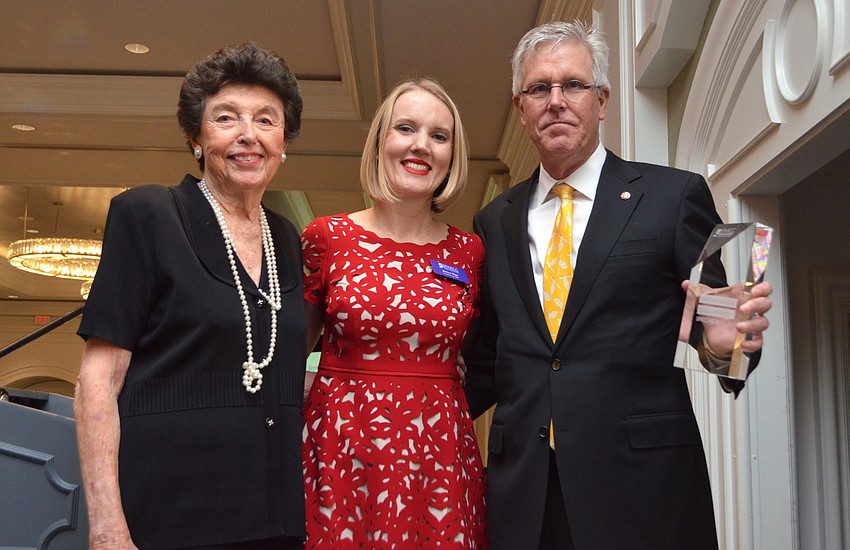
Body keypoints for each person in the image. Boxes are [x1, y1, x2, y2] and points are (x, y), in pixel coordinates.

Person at [463, 21, 774, 550]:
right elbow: (490, 360)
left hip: (642, 490)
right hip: (526, 495)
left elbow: (717, 328)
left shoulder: (673, 197)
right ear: (521, 108)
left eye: (573, 85)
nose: (556, 101)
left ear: (602, 100)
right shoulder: (494, 221)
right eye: (539, 88)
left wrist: (726, 349)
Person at [74, 43, 307, 549]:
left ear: (284, 141)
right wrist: (106, 525)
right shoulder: (149, 215)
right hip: (168, 518)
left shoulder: (288, 239)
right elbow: (98, 379)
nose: (248, 134)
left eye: (266, 120)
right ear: (197, 137)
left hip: (278, 518)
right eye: (226, 118)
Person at [301, 78, 487, 548]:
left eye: (439, 135)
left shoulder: (470, 251)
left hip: (440, 458)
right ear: (381, 140)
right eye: (406, 128)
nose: (421, 145)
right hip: (341, 451)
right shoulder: (326, 237)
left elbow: (477, 352)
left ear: (452, 156)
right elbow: (285, 354)